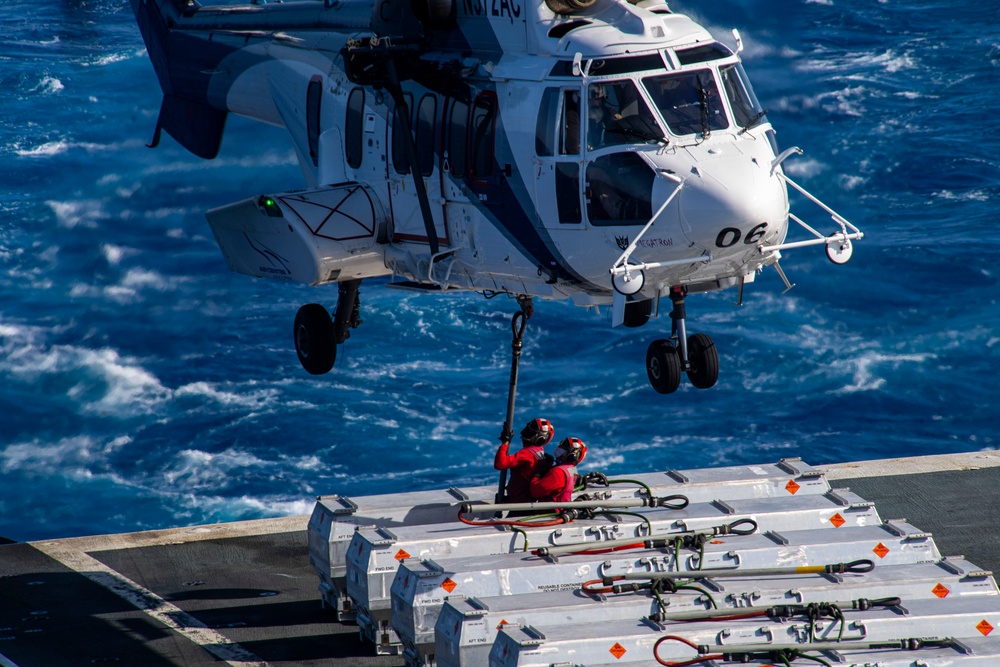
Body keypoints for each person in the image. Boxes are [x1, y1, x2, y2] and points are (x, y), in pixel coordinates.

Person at [494, 418, 554, 503]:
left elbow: (500, 464)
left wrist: (505, 442)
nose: (525, 432)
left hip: (520, 501)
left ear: (540, 438)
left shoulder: (526, 454)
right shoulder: (539, 451)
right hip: (527, 499)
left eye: (530, 432)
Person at [529, 437, 587, 504]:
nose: (560, 447)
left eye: (564, 447)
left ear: (572, 456)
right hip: (560, 508)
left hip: (549, 512)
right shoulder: (570, 469)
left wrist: (538, 474)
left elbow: (535, 492)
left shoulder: (558, 472)